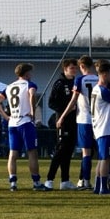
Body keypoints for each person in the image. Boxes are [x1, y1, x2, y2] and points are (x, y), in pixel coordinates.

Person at [0, 62, 46, 191]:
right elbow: (32, 94)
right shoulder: (29, 84)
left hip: (12, 123)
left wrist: (6, 116)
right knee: (32, 152)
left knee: (13, 154)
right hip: (25, 122)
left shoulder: (9, 87)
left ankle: (13, 183)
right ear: (27, 73)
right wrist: (32, 111)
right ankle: (36, 182)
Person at [57, 55, 98, 190]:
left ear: (81, 66)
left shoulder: (80, 79)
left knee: (86, 152)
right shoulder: (99, 79)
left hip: (84, 119)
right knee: (99, 152)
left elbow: (73, 100)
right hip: (98, 120)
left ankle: (85, 181)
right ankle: (100, 180)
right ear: (91, 65)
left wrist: (62, 116)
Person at [43, 58, 79, 190]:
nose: (74, 70)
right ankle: (49, 179)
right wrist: (66, 109)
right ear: (65, 69)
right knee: (60, 149)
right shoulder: (59, 83)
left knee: (69, 151)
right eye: (71, 68)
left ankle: (65, 180)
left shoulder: (76, 82)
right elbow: (51, 102)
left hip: (75, 120)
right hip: (63, 120)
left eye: (75, 68)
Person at [88, 61, 110, 194]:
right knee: (106, 159)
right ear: (104, 74)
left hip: (99, 127)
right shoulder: (103, 90)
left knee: (102, 158)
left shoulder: (96, 89)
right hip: (105, 128)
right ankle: (103, 187)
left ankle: (98, 186)